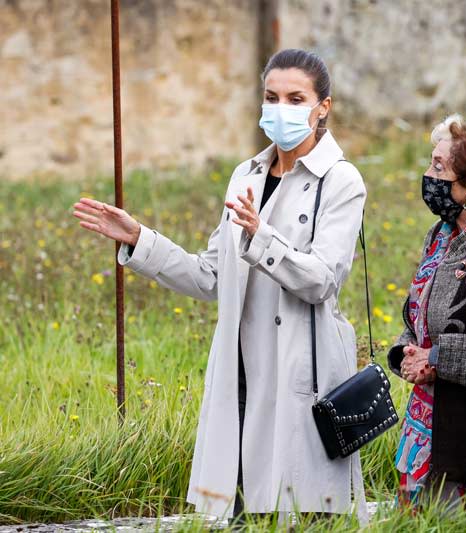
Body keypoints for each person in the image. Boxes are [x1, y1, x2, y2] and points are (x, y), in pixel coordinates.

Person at [72, 49, 368, 524]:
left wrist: (259, 237)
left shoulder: (341, 180)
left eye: (296, 98)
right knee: (241, 506)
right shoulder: (245, 174)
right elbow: (211, 275)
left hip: (299, 371)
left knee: (303, 510)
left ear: (323, 107)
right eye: (272, 97)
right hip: (241, 368)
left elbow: (321, 281)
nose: (281, 108)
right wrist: (140, 239)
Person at [388, 113, 466, 507]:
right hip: (422, 419)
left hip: (463, 428)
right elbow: (418, 313)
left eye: (439, 167)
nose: (428, 175)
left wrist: (438, 358)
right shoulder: (440, 234)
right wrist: (405, 352)